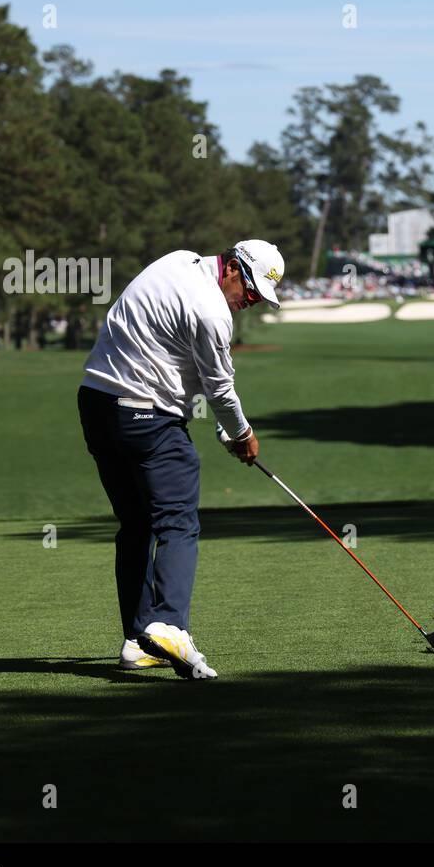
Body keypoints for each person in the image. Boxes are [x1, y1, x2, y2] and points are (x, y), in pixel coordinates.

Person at [77, 240, 284, 679]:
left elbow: (181, 362)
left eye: (257, 300)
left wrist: (221, 427)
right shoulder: (213, 310)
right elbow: (221, 390)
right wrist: (243, 434)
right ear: (231, 268)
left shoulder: (177, 262)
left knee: (136, 523)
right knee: (178, 520)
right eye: (249, 292)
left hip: (96, 406)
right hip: (145, 415)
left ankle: (137, 641)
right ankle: (169, 624)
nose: (248, 303)